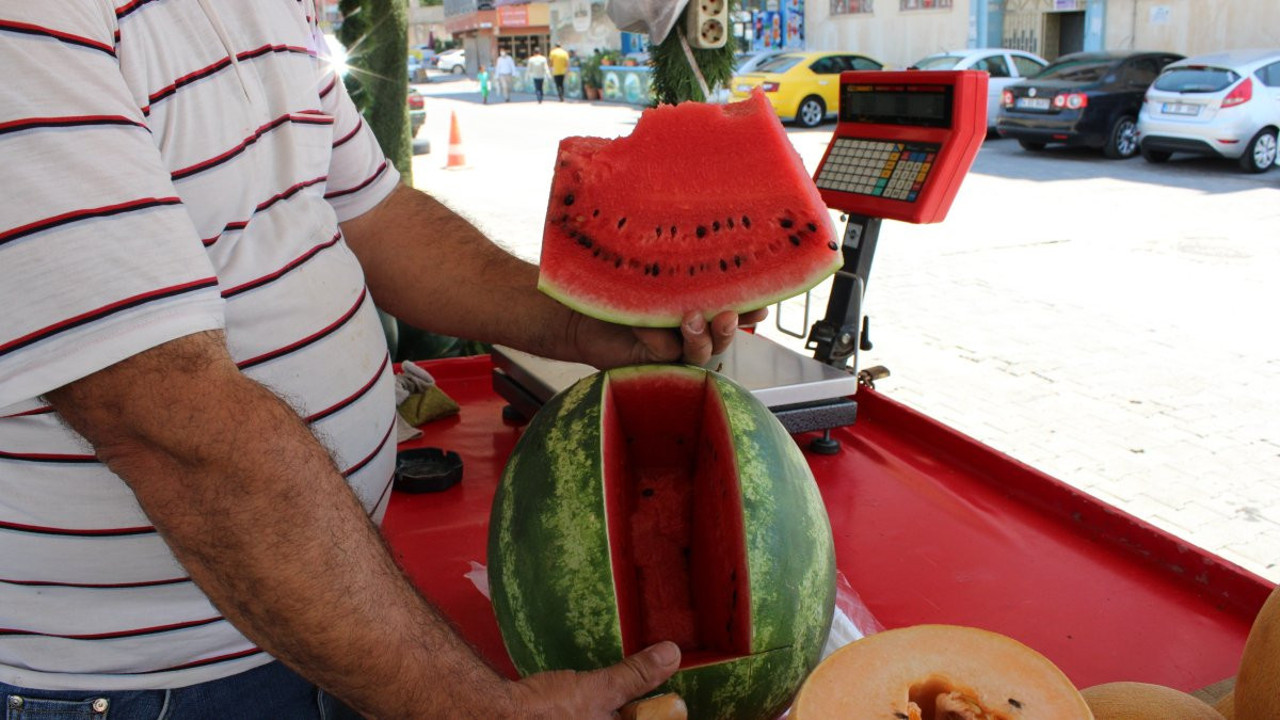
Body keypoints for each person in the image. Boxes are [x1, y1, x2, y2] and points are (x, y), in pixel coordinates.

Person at [0, 4, 762, 720]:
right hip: (153, 687)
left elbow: (372, 212)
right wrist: (466, 706)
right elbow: (167, 421)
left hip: (328, 623)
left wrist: (577, 323)